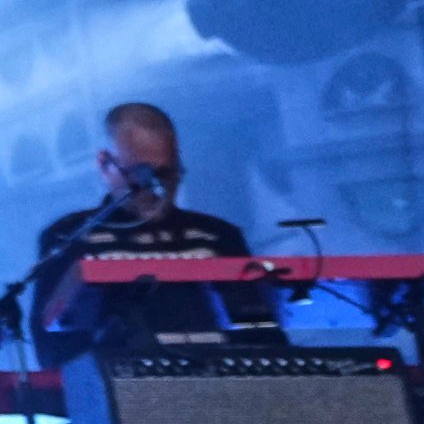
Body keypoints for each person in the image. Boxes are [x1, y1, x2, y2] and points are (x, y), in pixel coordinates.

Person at [28, 101, 284, 362]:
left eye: (167, 173)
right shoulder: (68, 237)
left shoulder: (219, 235)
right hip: (121, 393)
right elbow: (52, 350)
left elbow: (266, 338)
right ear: (105, 165)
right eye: (142, 174)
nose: (156, 187)